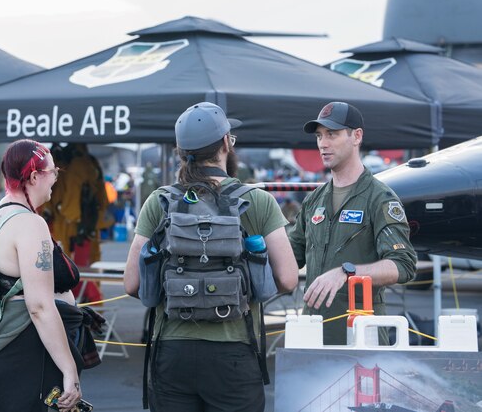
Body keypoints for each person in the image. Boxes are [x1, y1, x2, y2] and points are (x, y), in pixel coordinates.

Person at [124, 102, 299, 412]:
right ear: (225, 144)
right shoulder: (257, 200)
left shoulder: (160, 200)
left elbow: (132, 284)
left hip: (172, 351)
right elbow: (287, 278)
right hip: (234, 351)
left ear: (180, 151)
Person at [0, 139, 94, 412]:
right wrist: (69, 369)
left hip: (0, 346)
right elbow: (40, 307)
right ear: (35, 176)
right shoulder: (29, 224)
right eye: (53, 172)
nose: (55, 180)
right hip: (24, 351)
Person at [289, 101, 417, 345]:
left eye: (332, 134)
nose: (323, 144)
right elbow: (290, 256)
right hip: (313, 336)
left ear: (356, 136)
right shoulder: (314, 200)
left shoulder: (380, 198)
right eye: (319, 136)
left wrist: (347, 272)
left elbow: (404, 264)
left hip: (360, 338)